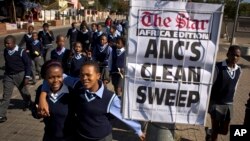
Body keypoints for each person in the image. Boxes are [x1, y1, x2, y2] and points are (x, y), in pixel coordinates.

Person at [38, 61, 145, 141]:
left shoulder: (109, 97)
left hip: (101, 138)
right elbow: (54, 77)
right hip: (82, 136)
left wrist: (138, 130)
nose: (84, 78)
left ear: (98, 76)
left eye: (88, 75)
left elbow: (123, 114)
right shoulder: (78, 85)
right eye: (82, 75)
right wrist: (42, 96)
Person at [206, 45, 242, 141]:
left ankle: (209, 131)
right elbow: (210, 85)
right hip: (216, 102)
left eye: (237, 56)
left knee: (225, 131)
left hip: (229, 103)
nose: (235, 57)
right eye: (233, 54)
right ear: (227, 54)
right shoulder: (218, 67)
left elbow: (235, 86)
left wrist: (232, 100)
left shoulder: (239, 70)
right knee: (215, 130)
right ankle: (212, 133)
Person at [36, 60, 75, 141]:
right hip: (49, 136)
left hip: (69, 137)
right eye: (51, 77)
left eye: (59, 76)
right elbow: (35, 111)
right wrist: (38, 113)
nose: (56, 81)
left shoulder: (71, 92)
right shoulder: (41, 90)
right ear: (45, 78)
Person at [0, 35, 32, 123]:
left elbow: (28, 65)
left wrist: (27, 77)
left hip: (20, 75)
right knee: (6, 96)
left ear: (14, 43)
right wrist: (6, 76)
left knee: (24, 92)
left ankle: (28, 103)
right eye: (5, 43)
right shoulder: (6, 51)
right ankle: (2, 115)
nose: (6, 45)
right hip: (9, 76)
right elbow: (7, 63)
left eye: (8, 43)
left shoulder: (21, 52)